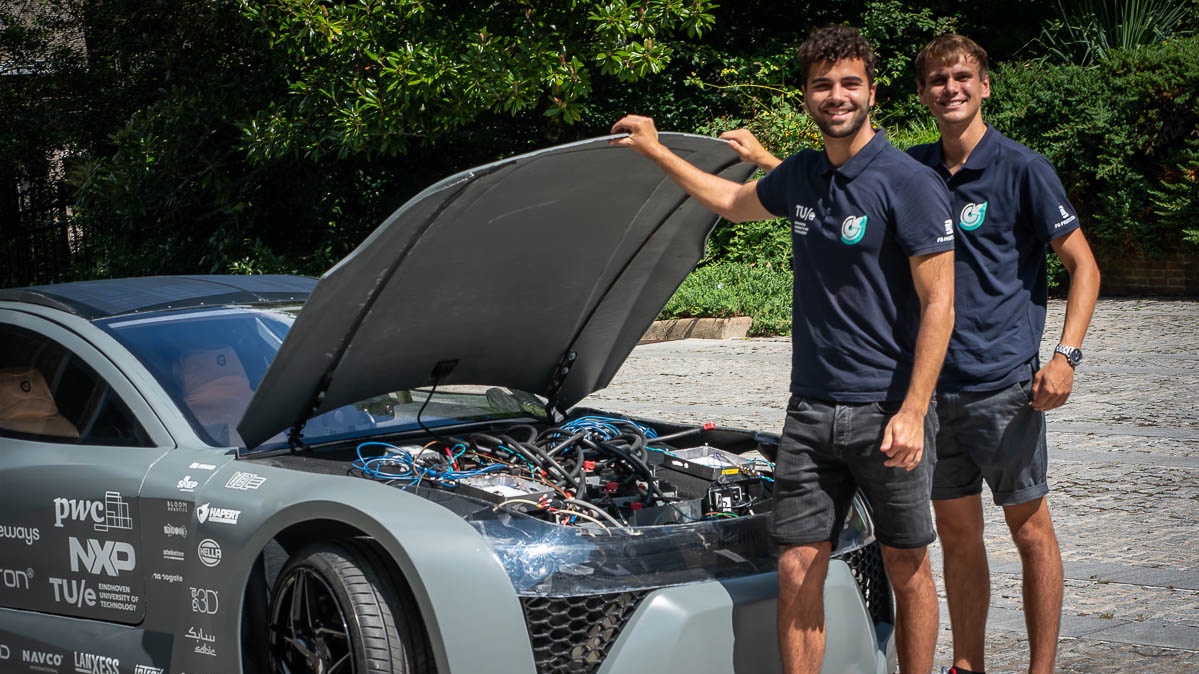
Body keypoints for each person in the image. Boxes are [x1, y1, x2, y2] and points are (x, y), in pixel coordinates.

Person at [611, 24, 955, 674]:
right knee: (797, 565)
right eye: (822, 84)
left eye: (849, 82)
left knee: (904, 563)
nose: (836, 95)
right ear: (805, 97)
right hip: (809, 414)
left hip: (887, 413)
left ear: (872, 93)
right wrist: (655, 151)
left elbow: (940, 302)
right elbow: (735, 202)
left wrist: (913, 409)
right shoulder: (799, 173)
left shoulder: (907, 182)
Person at [910, 34, 1100, 674]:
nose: (951, 88)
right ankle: (969, 665)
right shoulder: (914, 173)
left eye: (962, 76)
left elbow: (1084, 268)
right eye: (937, 79)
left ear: (985, 85)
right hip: (933, 395)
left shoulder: (1023, 169)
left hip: (1004, 390)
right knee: (959, 539)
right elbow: (838, 193)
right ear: (922, 94)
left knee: (1031, 533)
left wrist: (1065, 356)